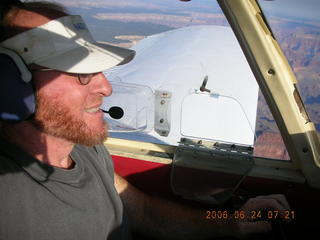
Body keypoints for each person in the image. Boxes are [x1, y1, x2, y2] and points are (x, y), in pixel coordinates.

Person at [0, 1, 291, 240]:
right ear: (12, 82)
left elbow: (145, 212)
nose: (106, 87)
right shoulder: (9, 194)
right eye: (83, 74)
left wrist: (232, 224)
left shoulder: (83, 147)